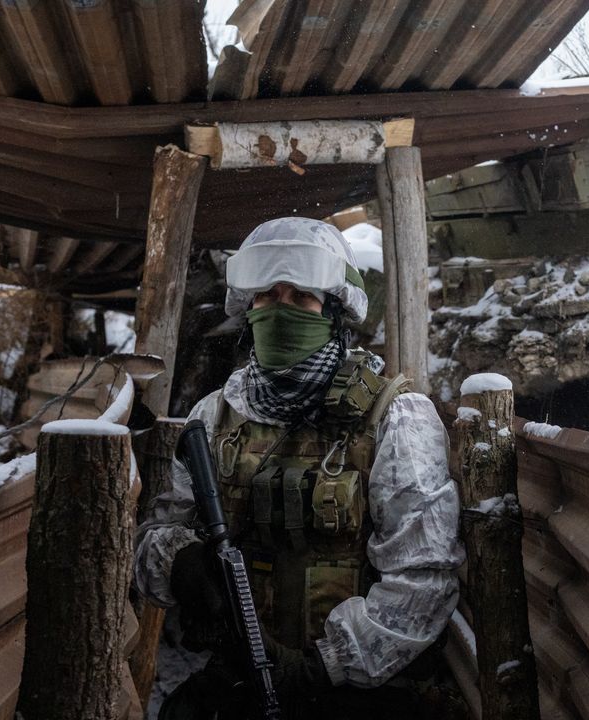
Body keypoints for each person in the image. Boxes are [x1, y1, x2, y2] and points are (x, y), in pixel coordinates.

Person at [134, 217, 465, 720]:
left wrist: (319, 668)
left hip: (356, 689)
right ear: (247, 308)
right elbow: (154, 540)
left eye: (301, 298)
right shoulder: (215, 415)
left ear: (335, 313)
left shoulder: (395, 417)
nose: (279, 310)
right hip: (240, 673)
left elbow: (424, 580)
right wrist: (180, 563)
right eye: (266, 295)